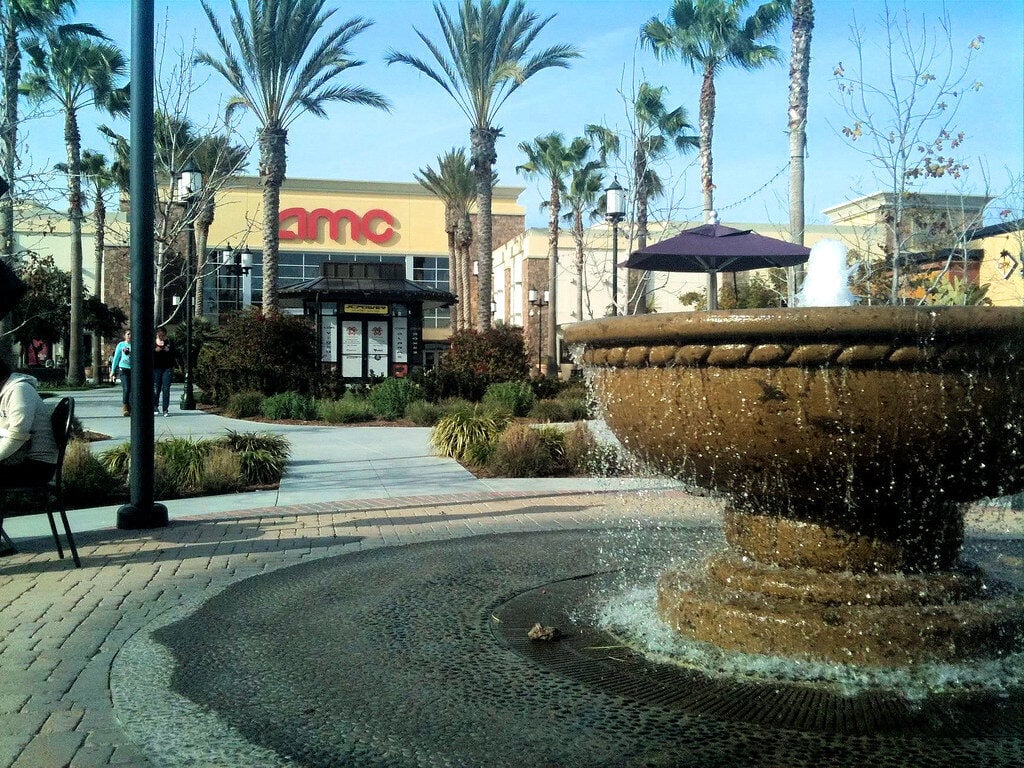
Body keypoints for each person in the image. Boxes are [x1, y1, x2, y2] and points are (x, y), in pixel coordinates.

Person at [0, 359, 58, 556]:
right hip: (22, 461)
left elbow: (17, 436)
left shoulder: (19, 391)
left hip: (37, 466)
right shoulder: (6, 391)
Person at [153, 327, 175, 417]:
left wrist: (169, 350)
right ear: (156, 335)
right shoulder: (152, 343)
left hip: (167, 368)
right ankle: (155, 406)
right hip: (156, 368)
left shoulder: (169, 343)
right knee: (156, 388)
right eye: (159, 335)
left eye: (163, 335)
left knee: (166, 389)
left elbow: (175, 354)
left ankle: (165, 409)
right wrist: (154, 350)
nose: (161, 337)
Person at [111, 330, 132, 416]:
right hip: (123, 368)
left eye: (131, 334)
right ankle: (125, 407)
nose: (130, 336)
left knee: (132, 390)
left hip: (133, 369)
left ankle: (131, 407)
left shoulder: (135, 344)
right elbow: (116, 358)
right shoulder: (121, 345)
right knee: (126, 388)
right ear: (124, 336)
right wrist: (112, 371)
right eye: (128, 334)